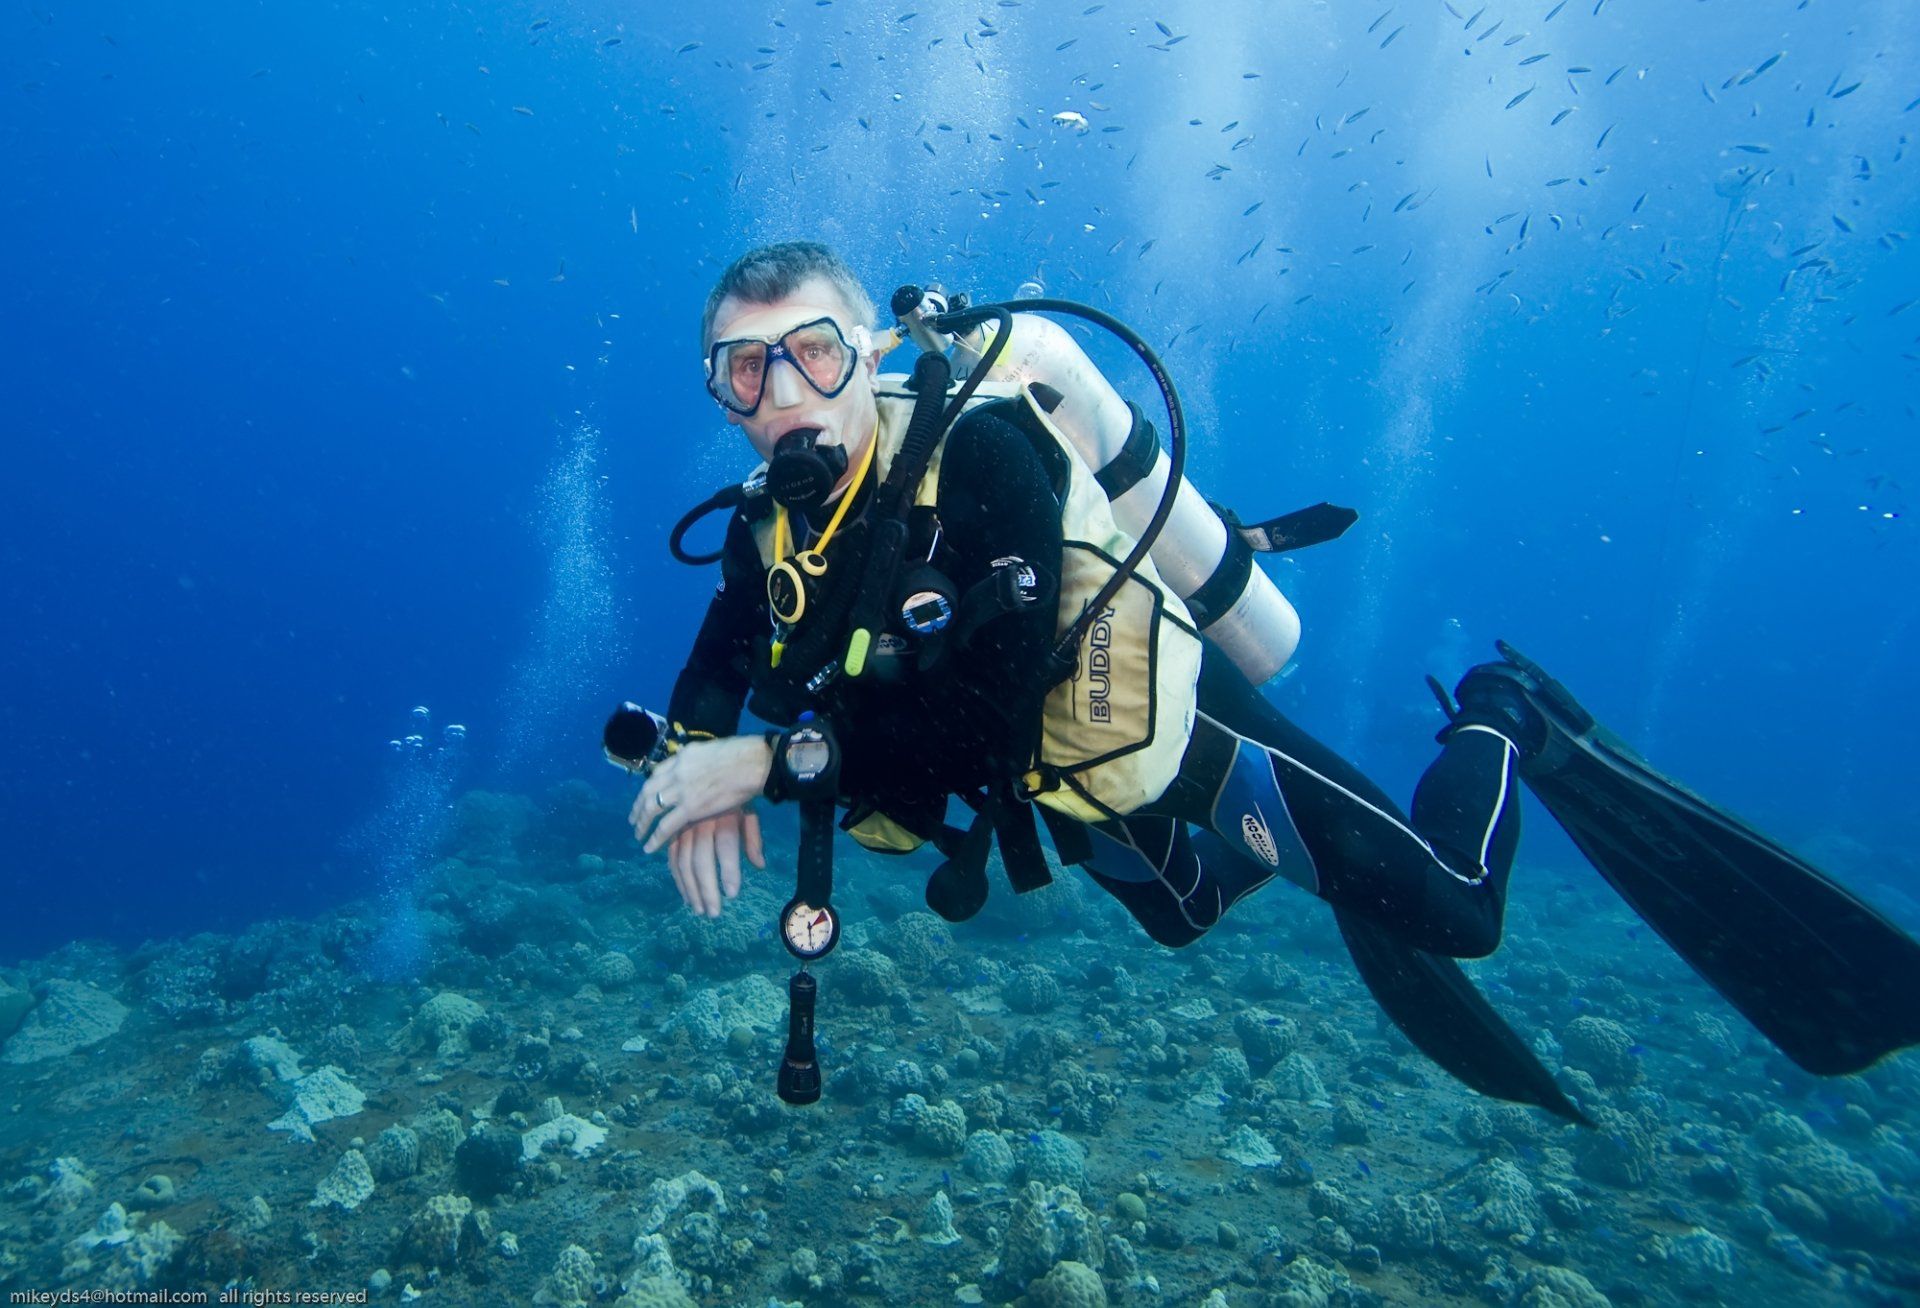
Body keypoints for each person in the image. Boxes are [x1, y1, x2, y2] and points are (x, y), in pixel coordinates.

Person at [625, 240, 1920, 1116]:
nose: (783, 391)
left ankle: (1502, 714)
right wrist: (695, 754)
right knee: (1185, 917)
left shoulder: (985, 457)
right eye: (745, 368)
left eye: (812, 351)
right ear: (720, 396)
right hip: (1080, 786)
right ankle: (1301, 859)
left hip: (1193, 732)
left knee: (1459, 911)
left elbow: (987, 716)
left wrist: (765, 765)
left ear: (869, 352)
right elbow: (723, 651)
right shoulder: (765, 524)